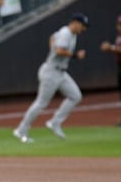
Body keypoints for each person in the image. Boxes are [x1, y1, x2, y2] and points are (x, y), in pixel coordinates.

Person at [13, 13, 89, 143]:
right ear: (75, 22)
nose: (83, 29)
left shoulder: (70, 34)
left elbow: (52, 38)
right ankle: (21, 130)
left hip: (60, 72)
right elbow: (59, 50)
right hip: (51, 72)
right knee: (41, 103)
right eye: (82, 25)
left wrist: (53, 48)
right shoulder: (66, 33)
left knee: (75, 96)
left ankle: (55, 122)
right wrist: (75, 55)